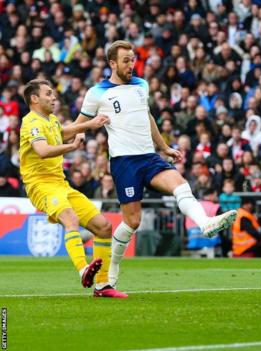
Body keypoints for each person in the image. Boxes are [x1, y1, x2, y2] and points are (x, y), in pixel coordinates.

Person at [74, 41, 237, 289]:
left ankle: (205, 224)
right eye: (126, 61)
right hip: (124, 162)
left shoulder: (141, 85)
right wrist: (81, 132)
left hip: (149, 157)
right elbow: (79, 123)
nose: (131, 65)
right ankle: (111, 273)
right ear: (112, 64)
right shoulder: (97, 93)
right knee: (132, 222)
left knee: (181, 185)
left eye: (133, 59)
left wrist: (163, 147)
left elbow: (146, 115)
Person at [19, 79, 126, 298]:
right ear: (34, 99)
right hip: (40, 185)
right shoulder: (31, 122)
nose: (53, 97)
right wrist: (72, 147)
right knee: (71, 219)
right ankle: (83, 269)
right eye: (48, 94)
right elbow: (42, 150)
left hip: (60, 184)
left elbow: (64, 131)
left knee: (104, 227)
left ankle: (103, 285)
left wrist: (90, 124)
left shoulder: (50, 120)